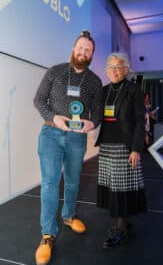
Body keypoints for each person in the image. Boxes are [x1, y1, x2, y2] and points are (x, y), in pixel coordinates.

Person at [34, 30, 103, 265]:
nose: (83, 52)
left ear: (92, 54)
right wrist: (55, 118)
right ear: (74, 48)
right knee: (50, 183)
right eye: (80, 47)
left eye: (88, 50)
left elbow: (98, 113)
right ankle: (47, 234)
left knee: (73, 181)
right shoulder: (55, 71)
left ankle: (69, 216)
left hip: (77, 138)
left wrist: (90, 123)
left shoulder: (94, 81)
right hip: (51, 134)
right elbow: (39, 100)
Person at [95, 52, 147, 249]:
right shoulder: (105, 90)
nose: (114, 71)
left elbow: (140, 122)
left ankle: (120, 228)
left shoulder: (133, 90)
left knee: (120, 188)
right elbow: (96, 113)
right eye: (110, 67)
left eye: (118, 67)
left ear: (125, 69)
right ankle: (124, 223)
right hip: (106, 145)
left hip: (123, 146)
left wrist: (136, 149)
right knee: (112, 187)